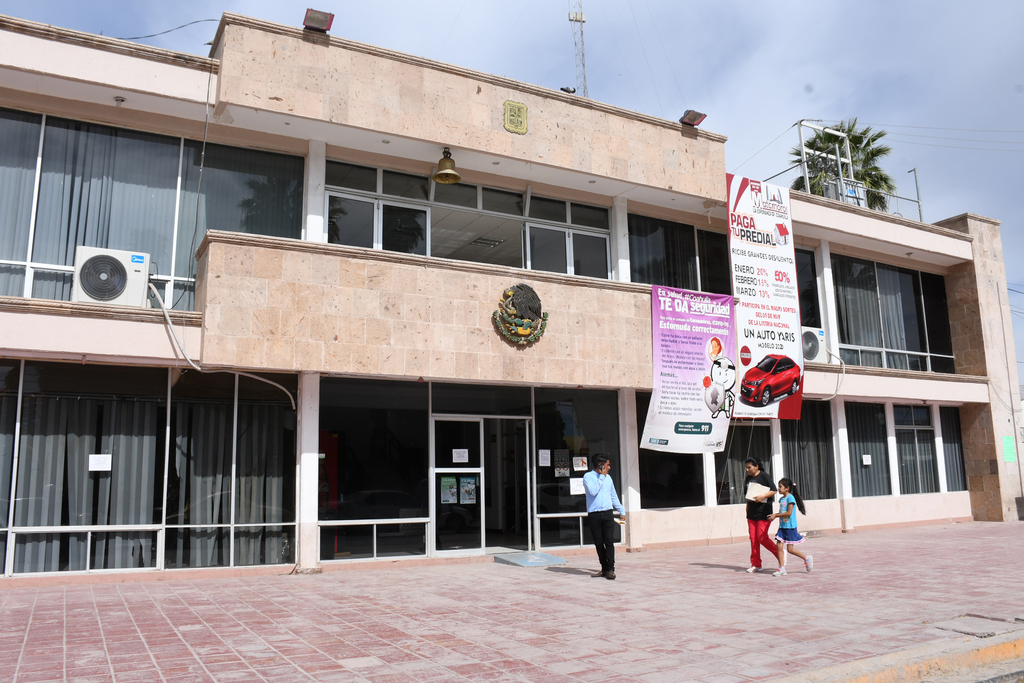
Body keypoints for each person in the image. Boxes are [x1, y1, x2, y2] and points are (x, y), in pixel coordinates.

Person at [583, 455, 624, 580]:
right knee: (599, 543)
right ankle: (604, 568)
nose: (609, 468)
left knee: (609, 541)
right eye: (607, 465)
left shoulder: (608, 478)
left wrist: (621, 510)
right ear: (600, 465)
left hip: (607, 513)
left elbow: (613, 495)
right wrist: (601, 477)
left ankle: (611, 569)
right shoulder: (588, 477)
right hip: (594, 514)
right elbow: (593, 491)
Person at [768, 478, 813, 576]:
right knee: (779, 545)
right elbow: (782, 512)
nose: (778, 488)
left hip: (790, 527)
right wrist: (776, 517)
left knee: (790, 549)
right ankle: (782, 568)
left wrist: (776, 515)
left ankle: (806, 558)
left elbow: (789, 513)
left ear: (787, 488)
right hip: (782, 527)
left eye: (780, 486)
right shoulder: (781, 499)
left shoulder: (790, 498)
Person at [742, 457, 778, 573]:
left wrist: (763, 496)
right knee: (753, 539)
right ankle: (756, 564)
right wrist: (747, 509)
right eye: (746, 467)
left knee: (762, 537)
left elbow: (774, 490)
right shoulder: (748, 478)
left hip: (764, 512)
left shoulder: (764, 476)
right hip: (751, 512)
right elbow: (747, 495)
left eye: (749, 467)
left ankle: (780, 553)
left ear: (756, 466)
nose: (747, 470)